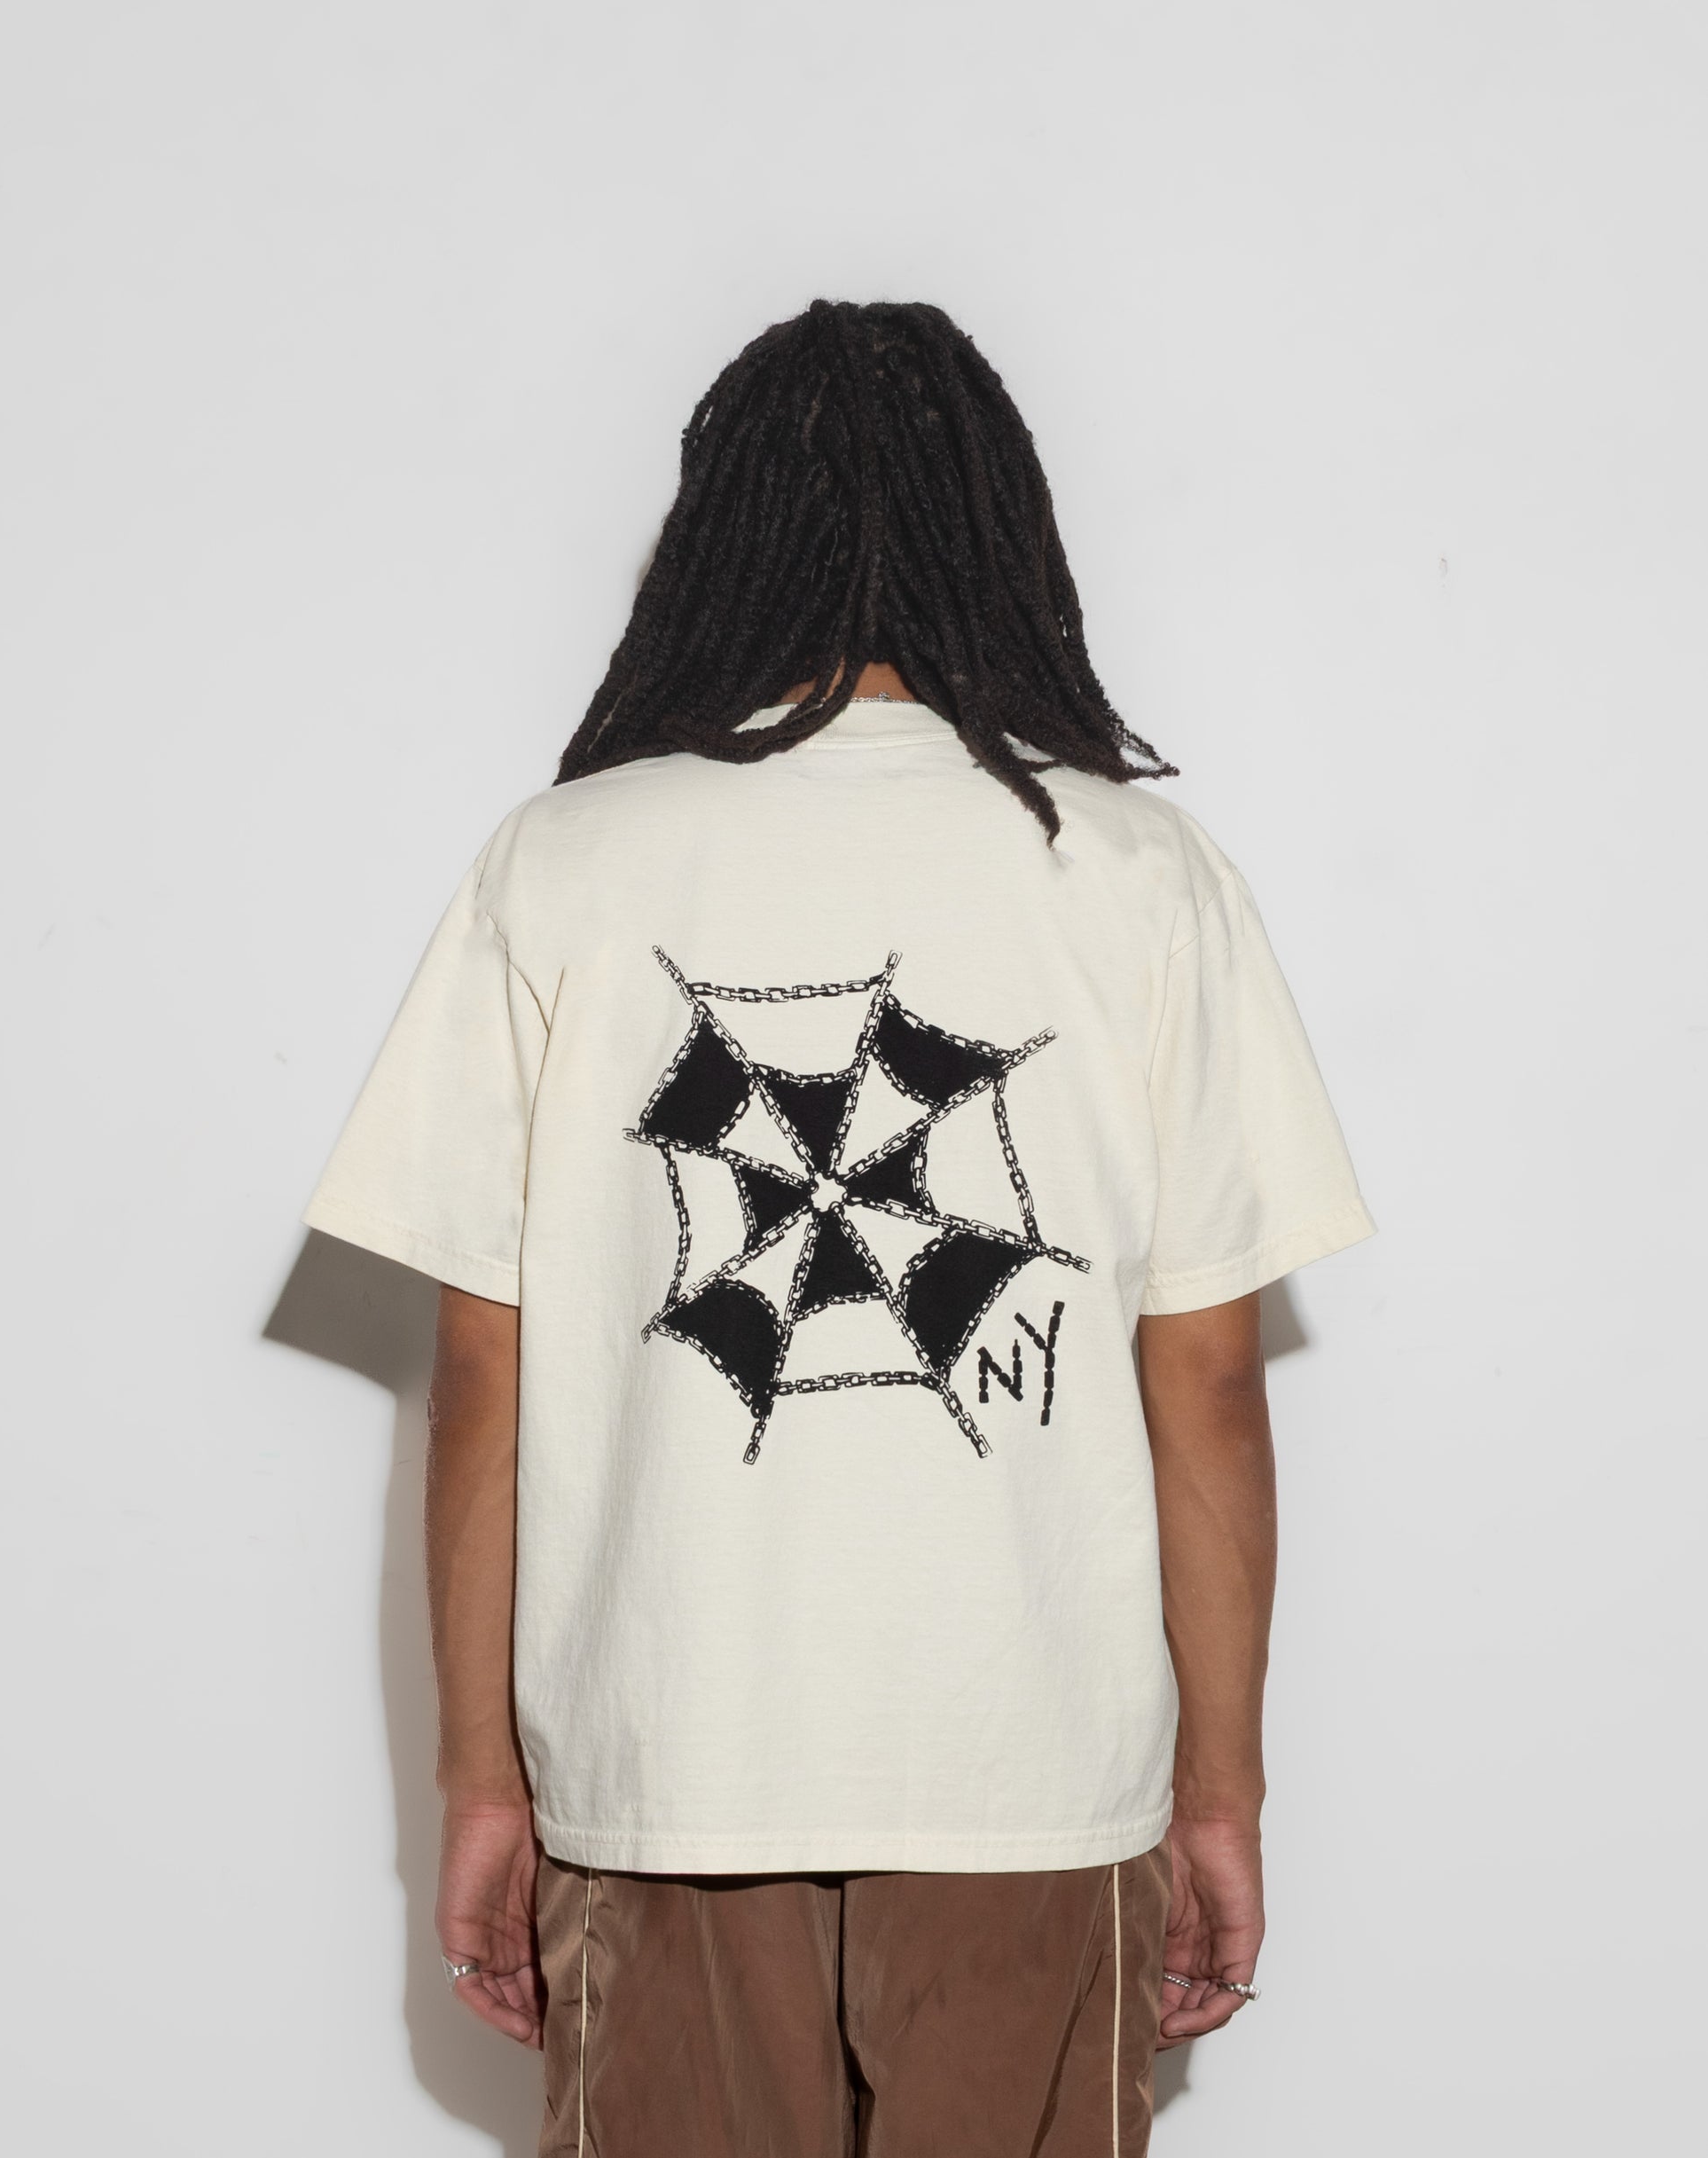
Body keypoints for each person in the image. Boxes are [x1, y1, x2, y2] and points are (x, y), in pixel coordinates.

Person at [302, 297, 1375, 2157]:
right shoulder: (1136, 873)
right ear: (1005, 534)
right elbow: (1207, 1382)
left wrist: (480, 1783)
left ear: (717, 536)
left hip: (664, 1767)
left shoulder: (566, 858)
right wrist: (1222, 1788)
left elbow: (481, 1373)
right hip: (1035, 1773)